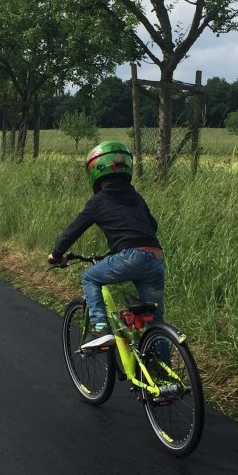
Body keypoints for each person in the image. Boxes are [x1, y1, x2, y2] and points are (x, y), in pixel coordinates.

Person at [48, 141, 164, 350]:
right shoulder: (136, 196)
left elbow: (73, 231)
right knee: (154, 322)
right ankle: (164, 379)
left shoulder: (99, 200)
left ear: (94, 170)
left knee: (90, 277)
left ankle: (100, 327)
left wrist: (56, 255)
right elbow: (152, 226)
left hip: (130, 256)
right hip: (155, 257)